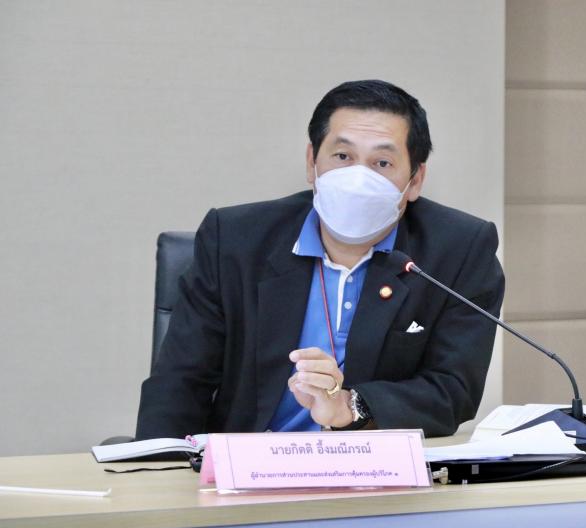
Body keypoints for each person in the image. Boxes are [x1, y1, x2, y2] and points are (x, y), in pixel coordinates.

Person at [135, 80, 504, 439]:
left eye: (382, 162)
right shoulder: (234, 239)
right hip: (248, 463)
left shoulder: (459, 249)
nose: (358, 178)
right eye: (342, 157)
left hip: (371, 466)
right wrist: (158, 468)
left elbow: (452, 389)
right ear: (312, 162)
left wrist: (351, 407)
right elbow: (181, 380)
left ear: (416, 179)